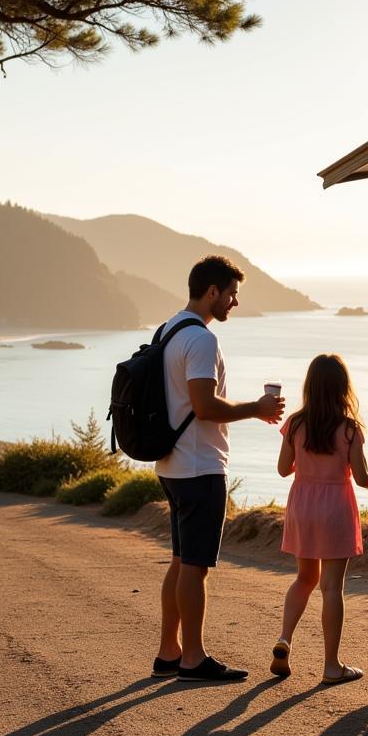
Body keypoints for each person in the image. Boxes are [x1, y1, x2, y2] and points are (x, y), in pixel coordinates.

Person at [153, 255, 285, 683]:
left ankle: (168, 652)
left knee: (179, 562)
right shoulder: (202, 341)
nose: (234, 302)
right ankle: (193, 658)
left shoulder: (168, 329)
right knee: (195, 566)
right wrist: (257, 408)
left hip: (172, 463)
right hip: (199, 466)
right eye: (230, 294)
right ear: (212, 291)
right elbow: (205, 406)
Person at [270, 355, 368, 685]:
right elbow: (362, 478)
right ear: (342, 388)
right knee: (332, 587)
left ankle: (285, 639)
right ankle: (331, 666)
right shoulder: (349, 429)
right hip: (335, 505)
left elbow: (282, 470)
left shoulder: (294, 423)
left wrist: (306, 466)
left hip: (303, 504)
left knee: (305, 578)